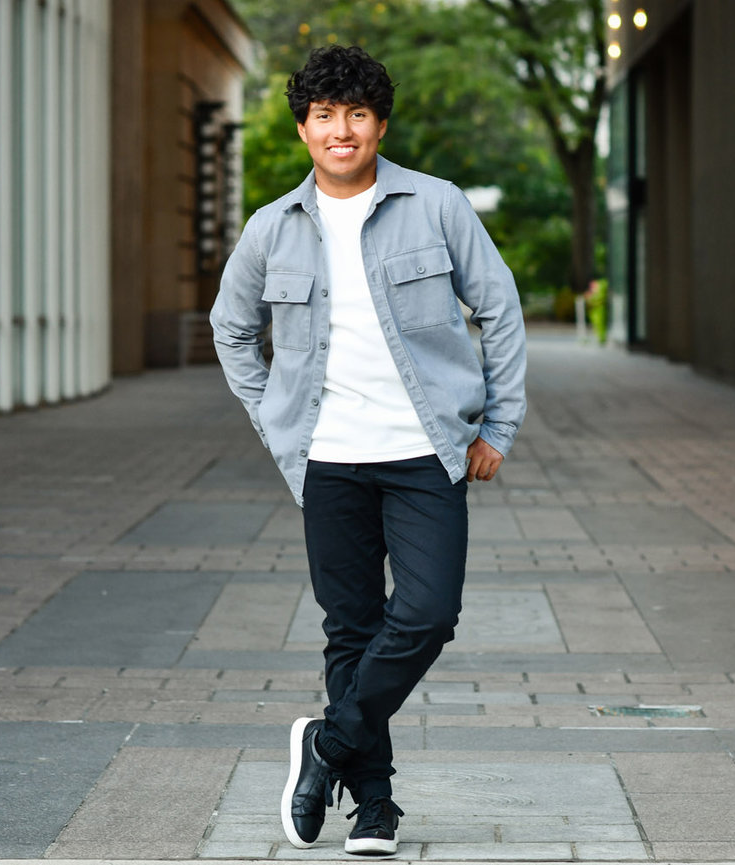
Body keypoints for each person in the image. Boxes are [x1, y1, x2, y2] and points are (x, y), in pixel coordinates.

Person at [209, 44, 526, 857]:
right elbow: (231, 329)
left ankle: (327, 741)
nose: (340, 130)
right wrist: (274, 417)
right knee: (350, 628)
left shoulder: (437, 205)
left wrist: (497, 425)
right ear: (304, 130)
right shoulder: (272, 228)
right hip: (328, 460)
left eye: (356, 114)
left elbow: (500, 308)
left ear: (379, 124)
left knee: (427, 614)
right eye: (324, 116)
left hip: (426, 454)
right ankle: (374, 806)